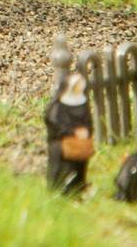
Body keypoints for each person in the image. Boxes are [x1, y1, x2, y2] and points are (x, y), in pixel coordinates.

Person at [44, 65, 96, 194]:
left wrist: (86, 131)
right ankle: (60, 189)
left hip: (79, 144)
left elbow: (88, 120)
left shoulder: (82, 101)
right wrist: (72, 132)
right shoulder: (58, 104)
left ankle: (78, 188)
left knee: (80, 166)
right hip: (61, 143)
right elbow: (54, 122)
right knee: (62, 168)